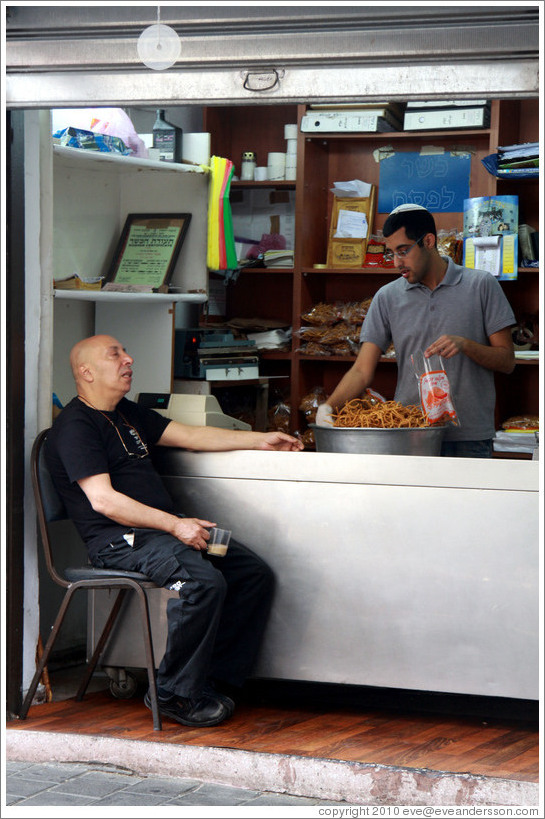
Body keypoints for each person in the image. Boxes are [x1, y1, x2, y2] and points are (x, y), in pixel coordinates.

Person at [45, 334, 304, 728]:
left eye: (124, 350)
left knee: (251, 575)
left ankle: (213, 681)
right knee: (203, 583)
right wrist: (175, 524)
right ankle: (171, 693)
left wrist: (260, 439)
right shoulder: (76, 426)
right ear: (85, 372)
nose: (128, 358)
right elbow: (103, 501)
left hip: (163, 535)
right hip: (122, 541)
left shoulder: (126, 414)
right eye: (115, 354)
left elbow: (193, 436)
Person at [316, 204, 516, 457]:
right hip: (410, 434)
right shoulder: (387, 297)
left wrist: (466, 345)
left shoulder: (480, 285)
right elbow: (361, 370)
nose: (397, 262)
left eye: (403, 251)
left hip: (470, 437)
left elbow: (507, 361)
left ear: (429, 241)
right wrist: (329, 407)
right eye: (391, 253)